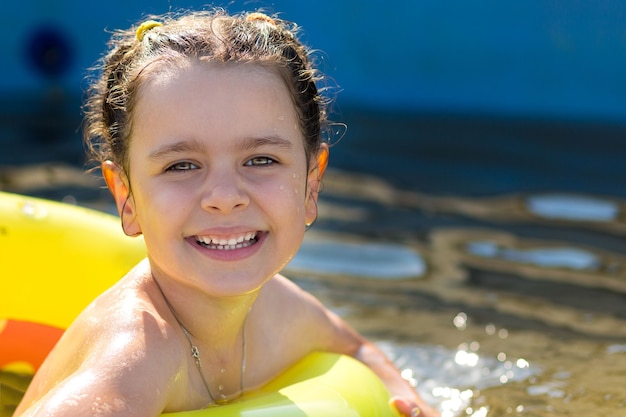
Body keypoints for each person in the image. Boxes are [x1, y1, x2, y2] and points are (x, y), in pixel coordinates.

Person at [15, 10, 439, 417]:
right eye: (181, 166)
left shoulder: (274, 307)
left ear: (311, 184)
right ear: (126, 197)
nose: (224, 197)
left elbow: (356, 349)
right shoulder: (136, 357)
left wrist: (410, 400)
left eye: (260, 160)